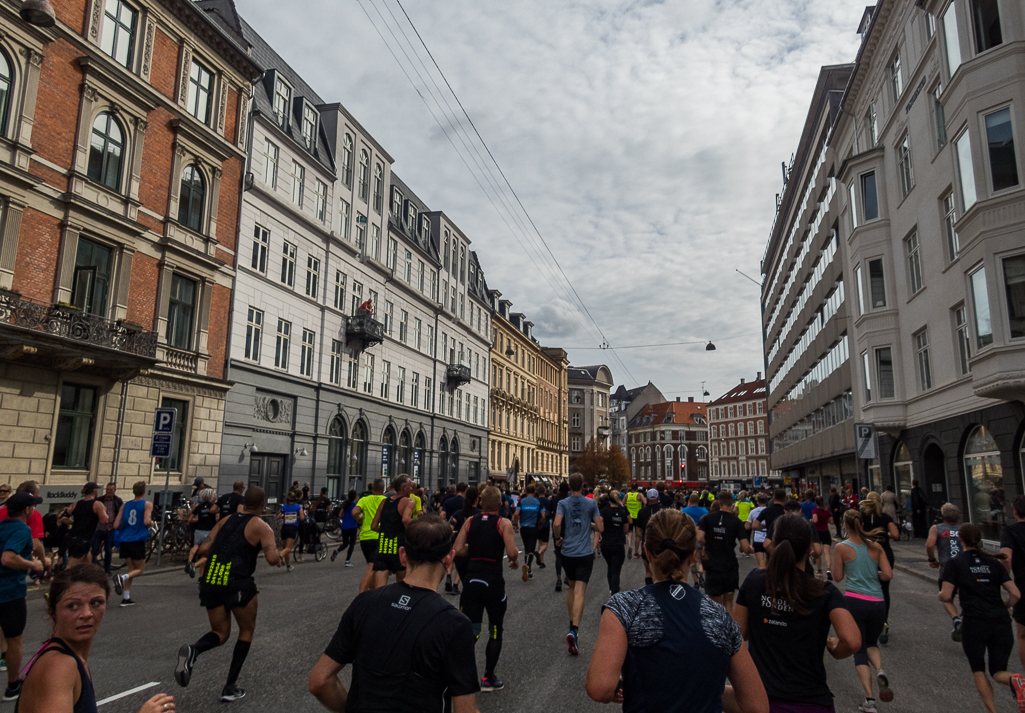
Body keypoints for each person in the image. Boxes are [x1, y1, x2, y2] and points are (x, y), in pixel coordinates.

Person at [586, 508, 769, 713]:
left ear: (647, 552)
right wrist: (710, 690)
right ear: (692, 556)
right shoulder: (720, 617)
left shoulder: (625, 607)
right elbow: (756, 706)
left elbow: (600, 688)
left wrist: (627, 687)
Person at [308, 515, 481, 712]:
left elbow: (319, 681)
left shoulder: (364, 602)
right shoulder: (454, 624)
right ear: (449, 559)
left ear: (403, 556)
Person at [735, 513, 862, 713]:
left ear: (774, 542)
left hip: (761, 700)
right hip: (810, 701)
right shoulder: (824, 592)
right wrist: (835, 649)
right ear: (810, 548)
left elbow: (738, 635)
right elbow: (852, 641)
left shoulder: (754, 581)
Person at [19, 565, 176, 713]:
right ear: (52, 612)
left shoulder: (70, 656)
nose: (87, 613)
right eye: (73, 606)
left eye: (96, 603)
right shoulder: (59, 667)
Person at [175, 486, 281, 703]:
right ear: (262, 505)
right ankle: (229, 686)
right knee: (246, 630)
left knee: (220, 632)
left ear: (245, 502)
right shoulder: (262, 527)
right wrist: (276, 553)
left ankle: (194, 651)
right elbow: (272, 558)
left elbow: (204, 548)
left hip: (212, 579)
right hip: (238, 582)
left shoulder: (225, 520)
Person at [943, 523, 1025, 713]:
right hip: (1000, 621)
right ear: (979, 539)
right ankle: (1014, 679)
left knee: (978, 668)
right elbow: (1016, 594)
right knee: (997, 671)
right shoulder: (994, 563)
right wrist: (1003, 607)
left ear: (960, 540)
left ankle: (992, 711)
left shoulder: (956, 563)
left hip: (974, 621)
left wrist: (941, 596)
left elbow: (947, 596)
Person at [453, 487, 519, 691]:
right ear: (500, 505)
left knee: (472, 629)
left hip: (472, 581)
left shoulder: (470, 521)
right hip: (493, 583)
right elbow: (511, 551)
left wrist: (472, 549)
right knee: (495, 630)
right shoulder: (503, 523)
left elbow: (457, 549)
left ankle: (457, 671)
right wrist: (515, 559)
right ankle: (488, 678)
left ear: (480, 503)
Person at [834, 509, 895, 713]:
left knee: (858, 650)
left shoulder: (842, 547)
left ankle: (869, 699)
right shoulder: (876, 546)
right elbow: (888, 575)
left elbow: (837, 577)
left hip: (854, 601)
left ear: (845, 525)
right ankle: (879, 669)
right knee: (872, 643)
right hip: (878, 602)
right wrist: (872, 573)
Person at [0, 492, 43, 700]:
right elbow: (7, 558)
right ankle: (13, 685)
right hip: (9, 592)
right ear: (27, 510)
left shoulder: (1, 527)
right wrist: (32, 564)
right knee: (15, 639)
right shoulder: (22, 530)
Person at [553, 473, 603, 655]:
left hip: (567, 552)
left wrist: (558, 537)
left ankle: (571, 623)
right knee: (580, 590)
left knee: (572, 587)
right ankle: (574, 629)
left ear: (568, 485)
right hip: (584, 553)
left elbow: (557, 523)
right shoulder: (591, 503)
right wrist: (589, 524)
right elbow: (600, 526)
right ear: (583, 485)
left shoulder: (562, 503)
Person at [697, 491, 752, 613]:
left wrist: (704, 548)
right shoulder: (736, 522)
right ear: (732, 503)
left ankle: (716, 630)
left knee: (714, 604)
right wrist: (752, 550)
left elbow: (699, 538)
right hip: (729, 565)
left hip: (712, 564)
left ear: (718, 502)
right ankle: (729, 629)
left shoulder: (707, 519)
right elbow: (746, 547)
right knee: (728, 603)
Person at [861, 492, 899, 644]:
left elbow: (857, 532)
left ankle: (868, 620)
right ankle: (884, 622)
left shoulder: (862, 517)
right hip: (884, 554)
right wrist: (886, 534)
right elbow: (896, 535)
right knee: (884, 589)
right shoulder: (885, 518)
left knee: (866, 586)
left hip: (867, 553)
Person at [112, 481, 153, 607]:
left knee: (131, 569)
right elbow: (146, 521)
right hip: (137, 539)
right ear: (144, 491)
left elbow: (115, 525)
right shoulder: (147, 504)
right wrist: (151, 523)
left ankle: (126, 597)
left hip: (125, 539)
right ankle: (121, 578)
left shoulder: (124, 505)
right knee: (140, 569)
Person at [371, 475, 416, 588]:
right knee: (401, 585)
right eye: (410, 487)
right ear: (404, 487)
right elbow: (405, 519)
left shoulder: (384, 502)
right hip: (399, 545)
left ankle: (379, 603)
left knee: (379, 588)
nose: (412, 489)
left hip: (383, 544)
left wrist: (386, 531)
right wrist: (416, 532)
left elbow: (373, 526)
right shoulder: (408, 502)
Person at [927, 503, 963, 641]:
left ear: (943, 516)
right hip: (964, 567)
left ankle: (955, 619)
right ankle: (965, 617)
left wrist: (932, 559)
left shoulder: (937, 528)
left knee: (945, 597)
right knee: (966, 594)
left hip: (947, 568)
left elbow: (930, 544)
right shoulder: (964, 528)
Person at [1000, 495, 1025, 673]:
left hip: (1023, 585)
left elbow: (1006, 558)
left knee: (1023, 635)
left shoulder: (1010, 532)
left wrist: (1004, 580)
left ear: (1015, 511)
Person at [59, 484, 108, 567]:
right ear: (95, 491)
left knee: (88, 563)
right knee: (71, 566)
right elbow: (104, 520)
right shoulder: (97, 504)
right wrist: (106, 513)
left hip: (72, 537)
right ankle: (63, 579)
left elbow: (62, 518)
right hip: (84, 539)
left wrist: (73, 523)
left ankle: (89, 578)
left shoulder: (75, 504)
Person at [353, 479, 386, 593]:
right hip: (378, 536)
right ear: (383, 488)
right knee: (371, 568)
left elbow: (354, 512)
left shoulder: (364, 499)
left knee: (375, 567)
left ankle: (372, 593)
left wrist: (359, 519)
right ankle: (361, 596)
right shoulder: (385, 500)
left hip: (365, 537)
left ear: (372, 489)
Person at [448, 486, 480, 600]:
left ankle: (449, 577)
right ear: (477, 499)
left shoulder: (458, 513)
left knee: (461, 571)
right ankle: (458, 587)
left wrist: (455, 534)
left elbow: (450, 527)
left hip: (459, 549)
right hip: (473, 550)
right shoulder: (479, 514)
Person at [598, 491, 629, 595]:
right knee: (616, 569)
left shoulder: (604, 511)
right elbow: (626, 530)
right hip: (618, 543)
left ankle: (611, 588)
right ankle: (614, 592)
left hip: (606, 543)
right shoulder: (623, 511)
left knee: (610, 566)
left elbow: (600, 525)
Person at [89, 483, 122, 576]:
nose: (108, 491)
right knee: (94, 549)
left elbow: (120, 512)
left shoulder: (117, 500)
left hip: (110, 528)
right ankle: (93, 569)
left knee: (108, 550)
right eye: (107, 489)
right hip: (99, 528)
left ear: (114, 490)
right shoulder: (99, 500)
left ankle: (107, 570)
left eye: (111, 490)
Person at [186, 488, 219, 578]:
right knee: (209, 554)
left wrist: (199, 519)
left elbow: (190, 519)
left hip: (198, 531)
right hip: (209, 533)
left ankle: (189, 561)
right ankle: (195, 565)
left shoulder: (199, 507)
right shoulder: (213, 507)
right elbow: (217, 519)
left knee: (196, 546)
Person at [513, 485, 543, 582]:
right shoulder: (537, 502)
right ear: (535, 492)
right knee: (531, 549)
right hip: (533, 527)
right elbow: (543, 515)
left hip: (524, 528)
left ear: (525, 491)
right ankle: (528, 567)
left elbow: (516, 514)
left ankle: (527, 566)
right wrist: (540, 523)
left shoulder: (522, 501)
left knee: (526, 548)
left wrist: (515, 524)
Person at [637, 489, 666, 586]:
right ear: (658, 498)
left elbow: (638, 532)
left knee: (648, 571)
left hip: (647, 543)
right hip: (661, 543)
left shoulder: (641, 512)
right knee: (660, 570)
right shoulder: (663, 511)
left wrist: (639, 543)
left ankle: (649, 592)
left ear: (647, 498)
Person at [549, 481, 570, 592]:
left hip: (557, 528)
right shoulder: (570, 500)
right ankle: (567, 575)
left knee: (558, 555)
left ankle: (558, 579)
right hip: (568, 529)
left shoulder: (554, 500)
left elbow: (549, 513)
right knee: (568, 554)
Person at [276, 489, 304, 572]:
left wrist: (284, 516)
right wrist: (297, 517)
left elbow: (277, 516)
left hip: (284, 528)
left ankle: (288, 566)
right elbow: (302, 518)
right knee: (288, 548)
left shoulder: (283, 507)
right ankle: (279, 556)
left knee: (285, 548)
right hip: (292, 528)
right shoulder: (298, 507)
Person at [332, 490, 359, 565]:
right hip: (352, 526)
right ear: (354, 497)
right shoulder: (355, 504)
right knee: (352, 544)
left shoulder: (345, 504)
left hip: (344, 526)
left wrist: (346, 517)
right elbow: (356, 514)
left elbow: (340, 515)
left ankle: (337, 551)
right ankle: (347, 561)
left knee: (345, 543)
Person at [811, 495, 834, 579]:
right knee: (827, 552)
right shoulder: (827, 511)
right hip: (826, 532)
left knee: (818, 552)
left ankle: (819, 570)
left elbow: (815, 520)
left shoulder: (815, 511)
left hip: (817, 532)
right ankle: (828, 569)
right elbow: (831, 522)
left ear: (815, 502)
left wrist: (811, 520)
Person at [746, 493, 769, 570]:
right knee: (768, 564)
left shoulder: (753, 512)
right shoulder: (769, 511)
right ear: (766, 501)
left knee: (761, 565)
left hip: (758, 539)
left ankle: (761, 580)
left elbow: (747, 526)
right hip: (768, 539)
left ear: (757, 501)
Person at [624, 484, 646, 560]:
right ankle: (636, 552)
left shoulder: (627, 494)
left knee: (629, 533)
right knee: (638, 535)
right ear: (637, 488)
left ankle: (629, 546)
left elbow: (622, 503)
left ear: (631, 488)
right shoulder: (639, 495)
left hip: (629, 516)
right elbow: (645, 502)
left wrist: (627, 506)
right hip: (637, 516)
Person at [536, 485, 551, 568]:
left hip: (537, 524)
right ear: (544, 492)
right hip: (545, 524)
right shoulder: (547, 501)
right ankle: (538, 554)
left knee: (540, 542)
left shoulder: (536, 501)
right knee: (545, 544)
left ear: (537, 492)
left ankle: (542, 562)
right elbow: (549, 512)